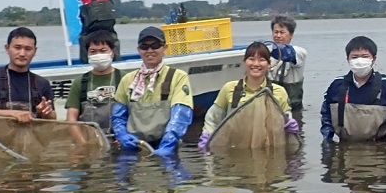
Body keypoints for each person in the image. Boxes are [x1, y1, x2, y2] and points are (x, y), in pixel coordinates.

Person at [111, 26, 194, 157]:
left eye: (155, 45)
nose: (150, 50)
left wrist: (167, 145)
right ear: (138, 50)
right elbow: (118, 116)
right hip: (134, 147)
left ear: (165, 48)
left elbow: (181, 115)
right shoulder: (127, 80)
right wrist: (122, 135)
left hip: (165, 147)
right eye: (144, 46)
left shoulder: (178, 77)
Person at [199, 42, 298, 149]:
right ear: (244, 62)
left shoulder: (279, 92)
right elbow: (212, 118)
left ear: (269, 64)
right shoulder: (229, 89)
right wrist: (207, 135)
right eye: (251, 59)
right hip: (233, 150)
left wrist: (291, 126)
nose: (256, 64)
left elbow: (287, 118)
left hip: (267, 149)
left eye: (262, 60)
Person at [321, 36, 386, 142]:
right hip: (345, 146)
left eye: (365, 56)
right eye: (354, 57)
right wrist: (327, 143)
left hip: (380, 147)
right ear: (347, 59)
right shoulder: (337, 85)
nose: (360, 61)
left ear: (374, 59)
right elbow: (326, 116)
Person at [0, 27, 57, 122]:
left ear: (35, 51)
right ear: (7, 48)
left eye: (28, 49)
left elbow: (53, 117)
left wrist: (46, 112)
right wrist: (13, 114)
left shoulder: (42, 83)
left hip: (32, 136)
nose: (22, 53)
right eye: (17, 48)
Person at [64, 29, 125, 132]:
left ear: (112, 52)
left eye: (103, 50)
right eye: (93, 51)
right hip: (90, 141)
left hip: (120, 140)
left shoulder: (125, 78)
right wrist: (84, 143)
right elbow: (71, 119)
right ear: (87, 54)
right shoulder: (79, 82)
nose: (98, 55)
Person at [266, 15, 308, 124]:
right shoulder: (266, 55)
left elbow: (286, 52)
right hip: (271, 108)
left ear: (291, 35)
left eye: (282, 32)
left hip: (293, 110)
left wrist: (262, 48)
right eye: (275, 32)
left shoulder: (299, 52)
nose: (278, 35)